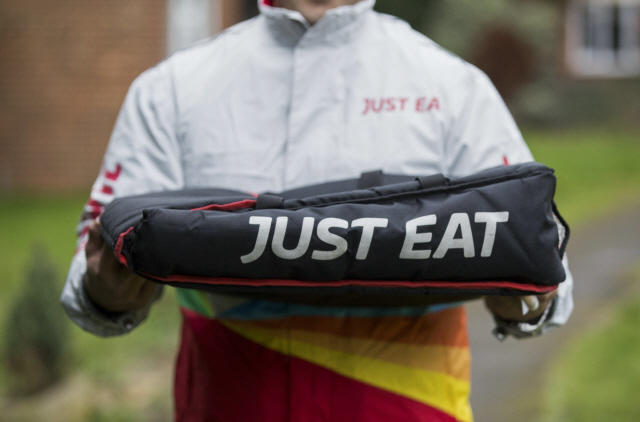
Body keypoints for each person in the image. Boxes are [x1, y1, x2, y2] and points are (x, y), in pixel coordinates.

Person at [61, 0, 574, 421]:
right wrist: (106, 292)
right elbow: (91, 278)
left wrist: (526, 301)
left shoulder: (451, 86)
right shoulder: (170, 89)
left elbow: (543, 260)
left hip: (408, 410)